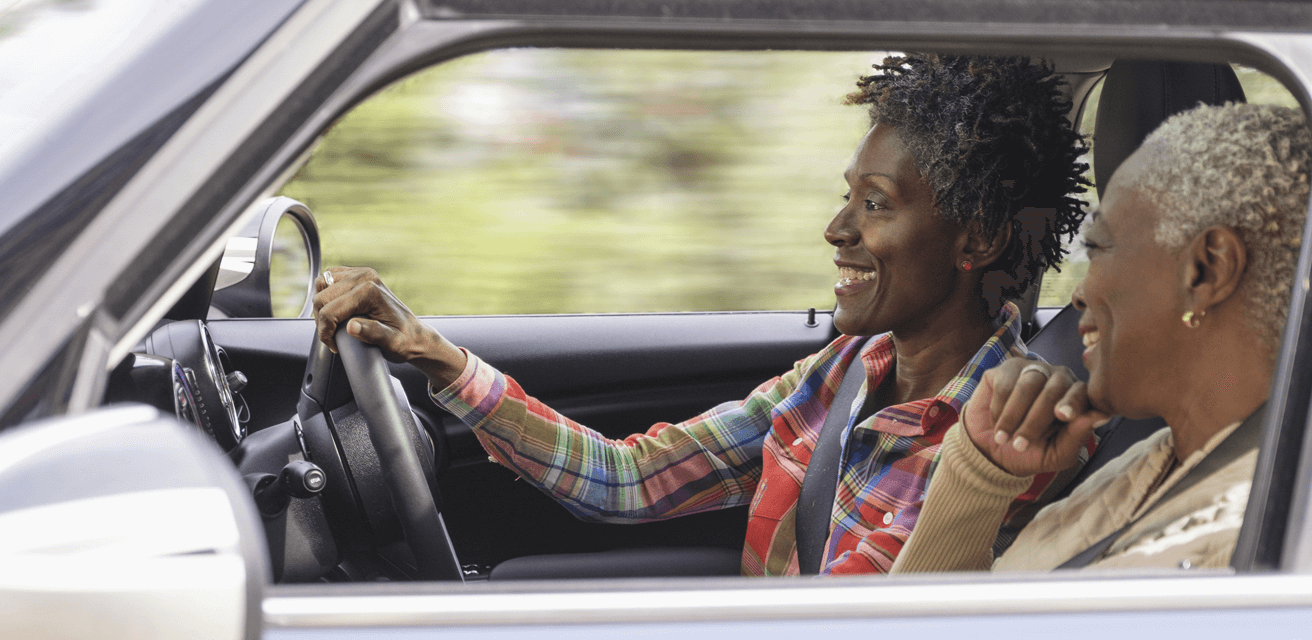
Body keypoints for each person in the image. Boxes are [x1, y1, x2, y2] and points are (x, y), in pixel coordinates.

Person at [314, 55, 1091, 576]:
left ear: (977, 239)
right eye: (847, 194)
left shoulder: (1006, 438)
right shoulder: (844, 373)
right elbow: (630, 478)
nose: (836, 228)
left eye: (875, 205)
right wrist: (435, 354)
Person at [890, 103, 1310, 573]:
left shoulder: (1256, 541)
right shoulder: (1146, 468)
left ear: (1205, 269)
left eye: (1098, 248)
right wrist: (980, 474)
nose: (1079, 294)